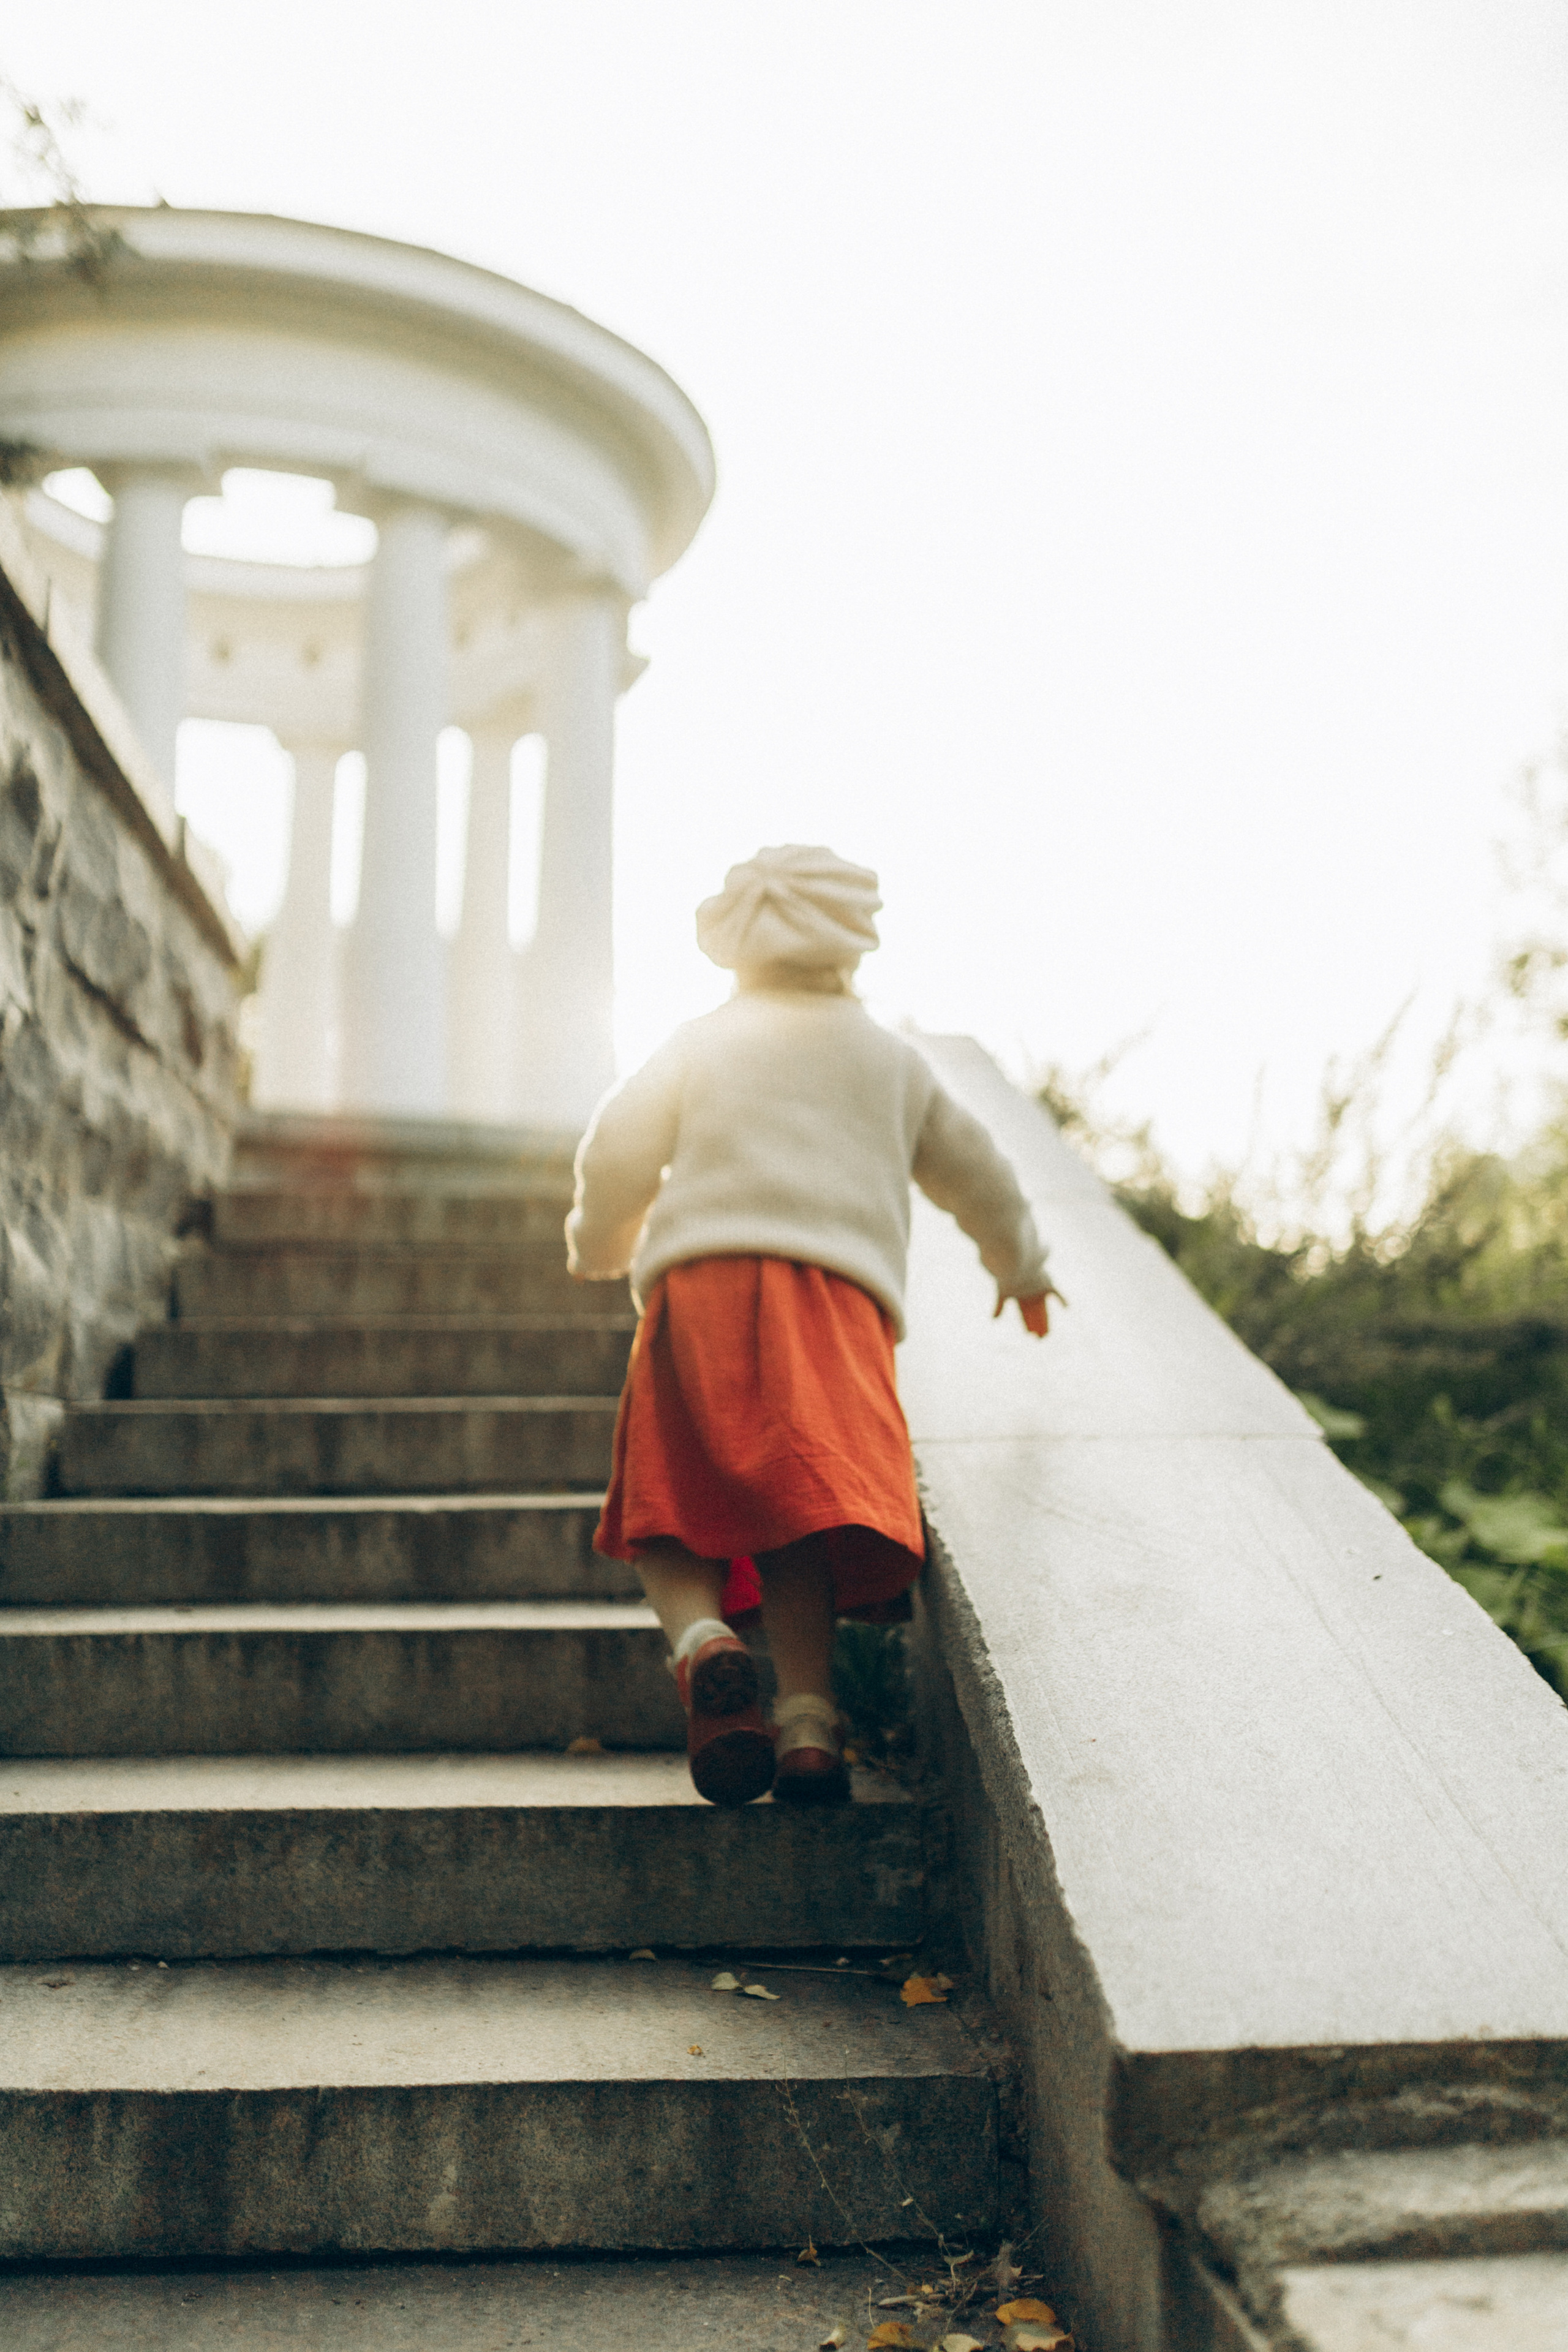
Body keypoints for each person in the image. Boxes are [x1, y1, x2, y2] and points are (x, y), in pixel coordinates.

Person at [566, 844, 1055, 1808]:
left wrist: (601, 1240)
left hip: (701, 1288)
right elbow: (977, 1171)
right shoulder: (890, 1060)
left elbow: (618, 1147)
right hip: (836, 1304)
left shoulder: (702, 1040)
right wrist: (1022, 1266)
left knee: (665, 1507)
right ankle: (808, 1728)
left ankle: (702, 1642)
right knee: (800, 1517)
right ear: (852, 946)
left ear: (735, 946)